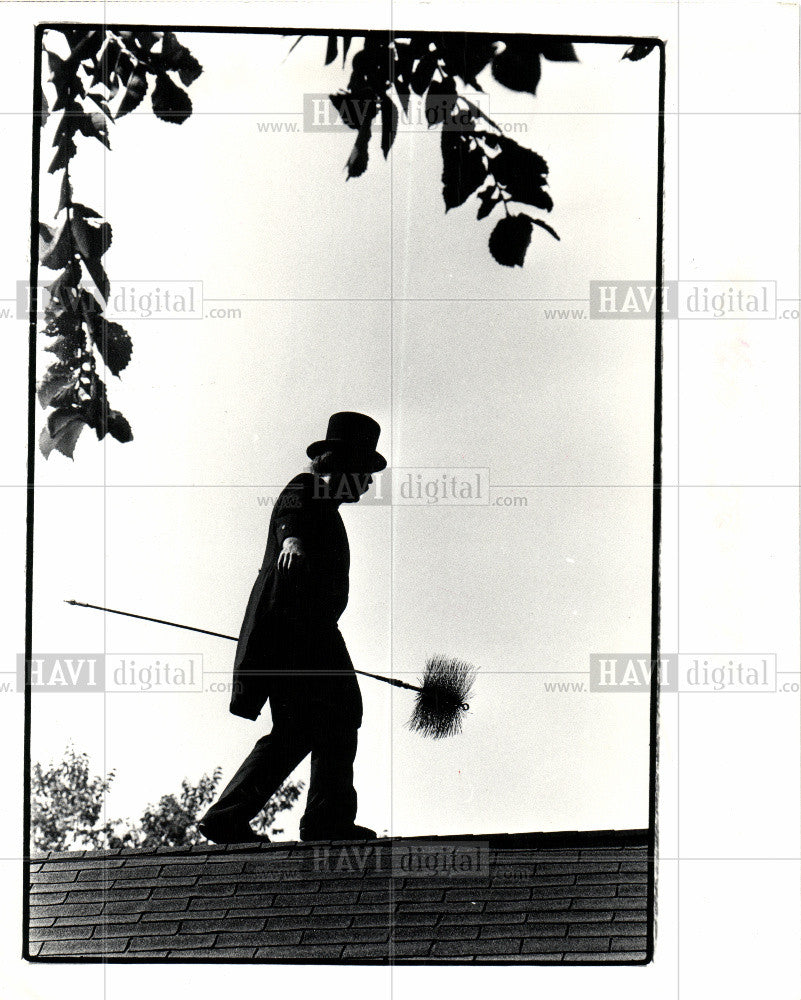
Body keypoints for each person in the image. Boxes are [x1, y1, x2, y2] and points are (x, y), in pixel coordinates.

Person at [198, 412, 386, 844]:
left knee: (300, 728)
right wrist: (291, 540)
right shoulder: (308, 489)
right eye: (363, 473)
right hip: (302, 635)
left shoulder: (327, 506)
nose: (369, 483)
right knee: (339, 713)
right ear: (341, 468)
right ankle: (326, 821)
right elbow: (290, 512)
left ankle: (230, 816)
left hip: (300, 634)